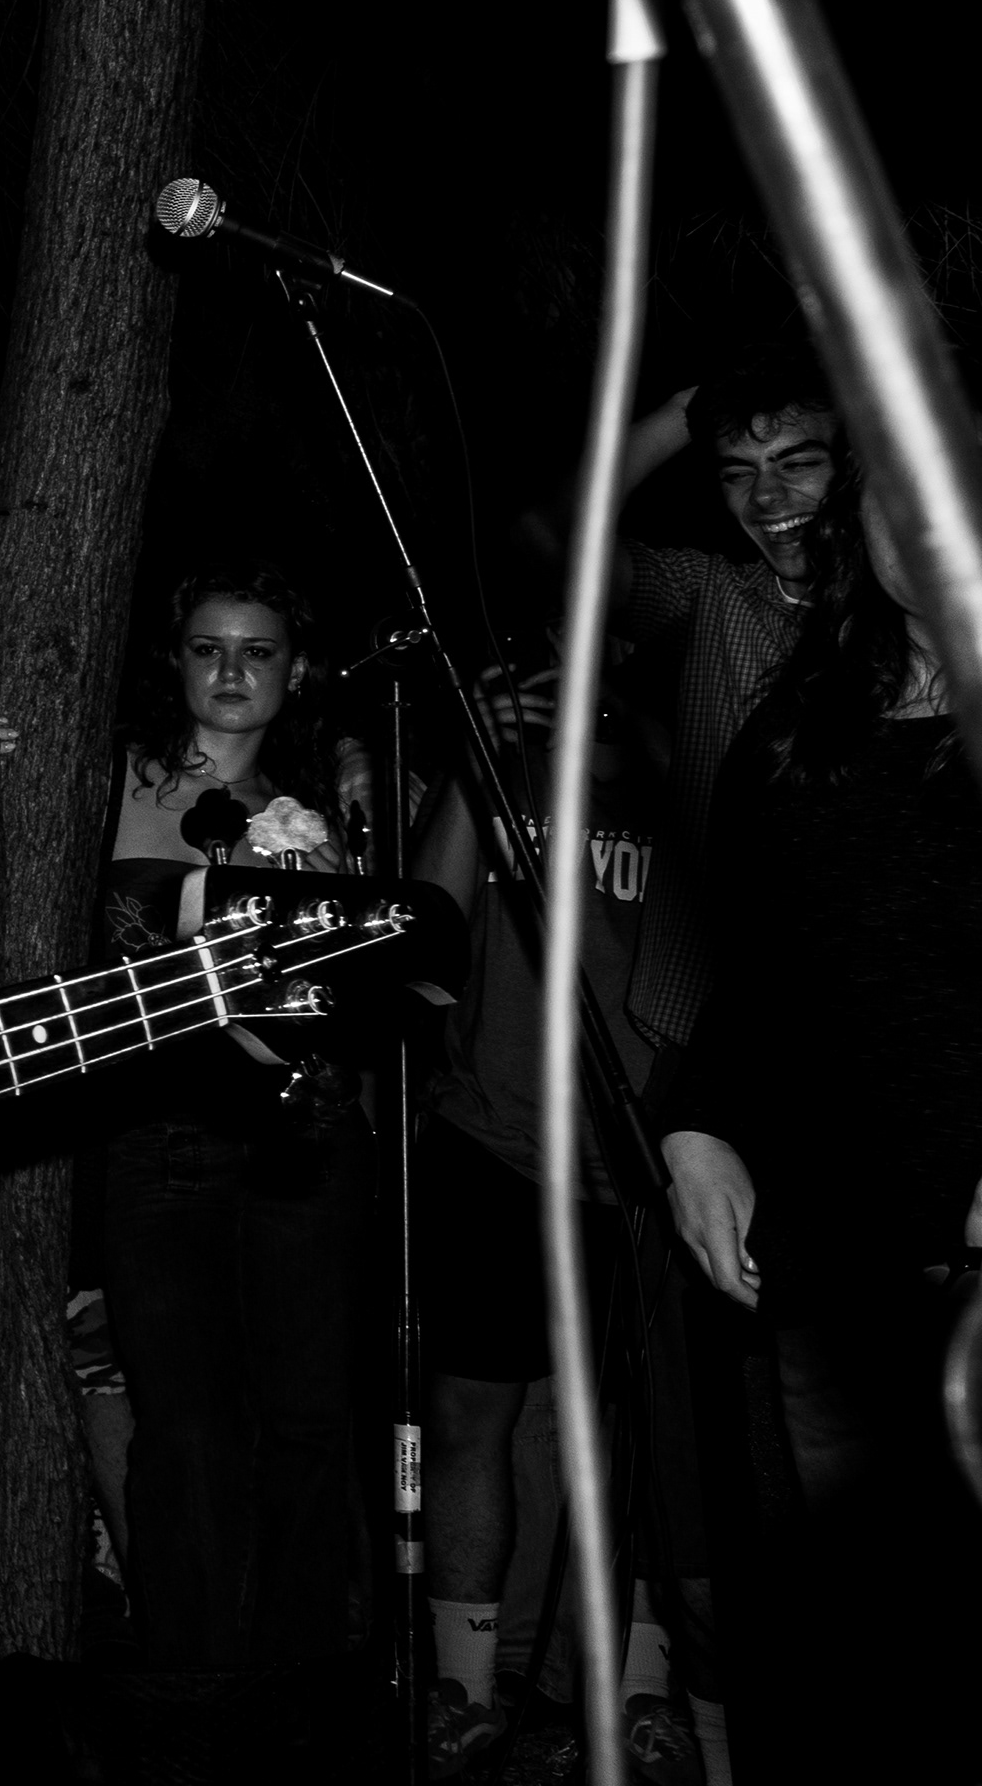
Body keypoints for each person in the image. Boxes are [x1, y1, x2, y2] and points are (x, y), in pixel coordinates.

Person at [659, 466, 982, 1777]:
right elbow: (751, 973)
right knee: (851, 1643)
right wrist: (697, 1131)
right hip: (830, 1257)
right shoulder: (799, 728)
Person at [408, 661, 710, 1782]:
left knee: (645, 1446)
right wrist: (472, 756)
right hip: (495, 1139)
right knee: (468, 1413)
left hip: (644, 1159)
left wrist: (646, 725)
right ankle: (464, 1689)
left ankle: (640, 1692)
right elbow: (424, 924)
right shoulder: (508, 760)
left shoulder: (681, 750)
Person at [90, 570, 371, 1688]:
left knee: (308, 1418)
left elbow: (367, 993)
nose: (232, 672)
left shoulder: (325, 804)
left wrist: (341, 882)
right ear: (177, 660)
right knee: (188, 1429)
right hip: (159, 1128)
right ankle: (190, 1700)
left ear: (295, 670)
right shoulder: (112, 779)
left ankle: (301, 1695)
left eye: (259, 651)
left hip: (302, 1133)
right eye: (210, 647)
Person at [592, 358, 840, 1056]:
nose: (767, 496)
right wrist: (682, 413)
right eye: (737, 473)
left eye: (798, 463)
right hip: (710, 1023)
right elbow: (551, 540)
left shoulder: (933, 624)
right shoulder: (713, 594)